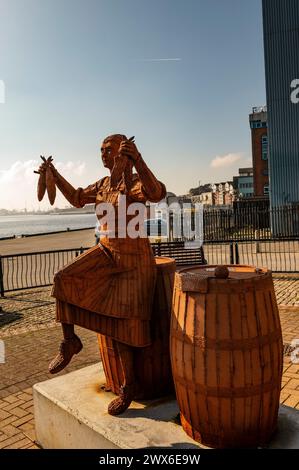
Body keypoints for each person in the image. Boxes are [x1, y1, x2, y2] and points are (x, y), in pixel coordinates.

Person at [38, 134, 166, 415]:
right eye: (101, 151)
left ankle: (128, 386)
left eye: (108, 150)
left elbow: (156, 193)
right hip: (106, 251)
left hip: (133, 260)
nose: (103, 155)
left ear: (123, 153)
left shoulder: (133, 184)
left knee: (123, 328)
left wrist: (139, 160)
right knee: (63, 278)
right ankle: (70, 341)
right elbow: (75, 198)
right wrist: (54, 174)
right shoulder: (103, 184)